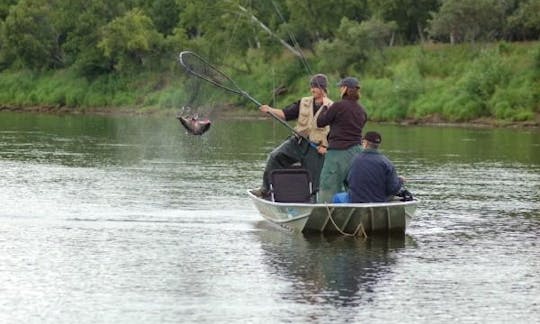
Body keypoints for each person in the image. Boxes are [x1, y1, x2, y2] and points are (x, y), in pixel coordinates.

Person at [255, 74, 334, 198]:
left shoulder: (332, 107)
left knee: (315, 180)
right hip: (298, 142)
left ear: (323, 88)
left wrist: (326, 148)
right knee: (275, 157)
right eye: (311, 86)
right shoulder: (303, 102)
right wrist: (270, 109)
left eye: (315, 87)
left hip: (316, 148)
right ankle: (266, 189)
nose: (312, 89)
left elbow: (336, 131)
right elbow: (286, 114)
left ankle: (313, 202)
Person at [316, 77, 367, 202]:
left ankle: (326, 211)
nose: (339, 89)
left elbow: (320, 122)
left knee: (329, 184)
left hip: (338, 153)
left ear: (345, 89)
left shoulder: (337, 106)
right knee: (354, 186)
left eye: (341, 87)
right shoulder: (362, 111)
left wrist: (325, 106)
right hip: (357, 152)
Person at [340, 131, 404, 203]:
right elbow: (392, 190)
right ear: (378, 145)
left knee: (337, 197)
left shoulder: (354, 159)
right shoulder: (387, 163)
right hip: (378, 202)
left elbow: (347, 181)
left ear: (365, 143)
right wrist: (400, 181)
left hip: (355, 201)